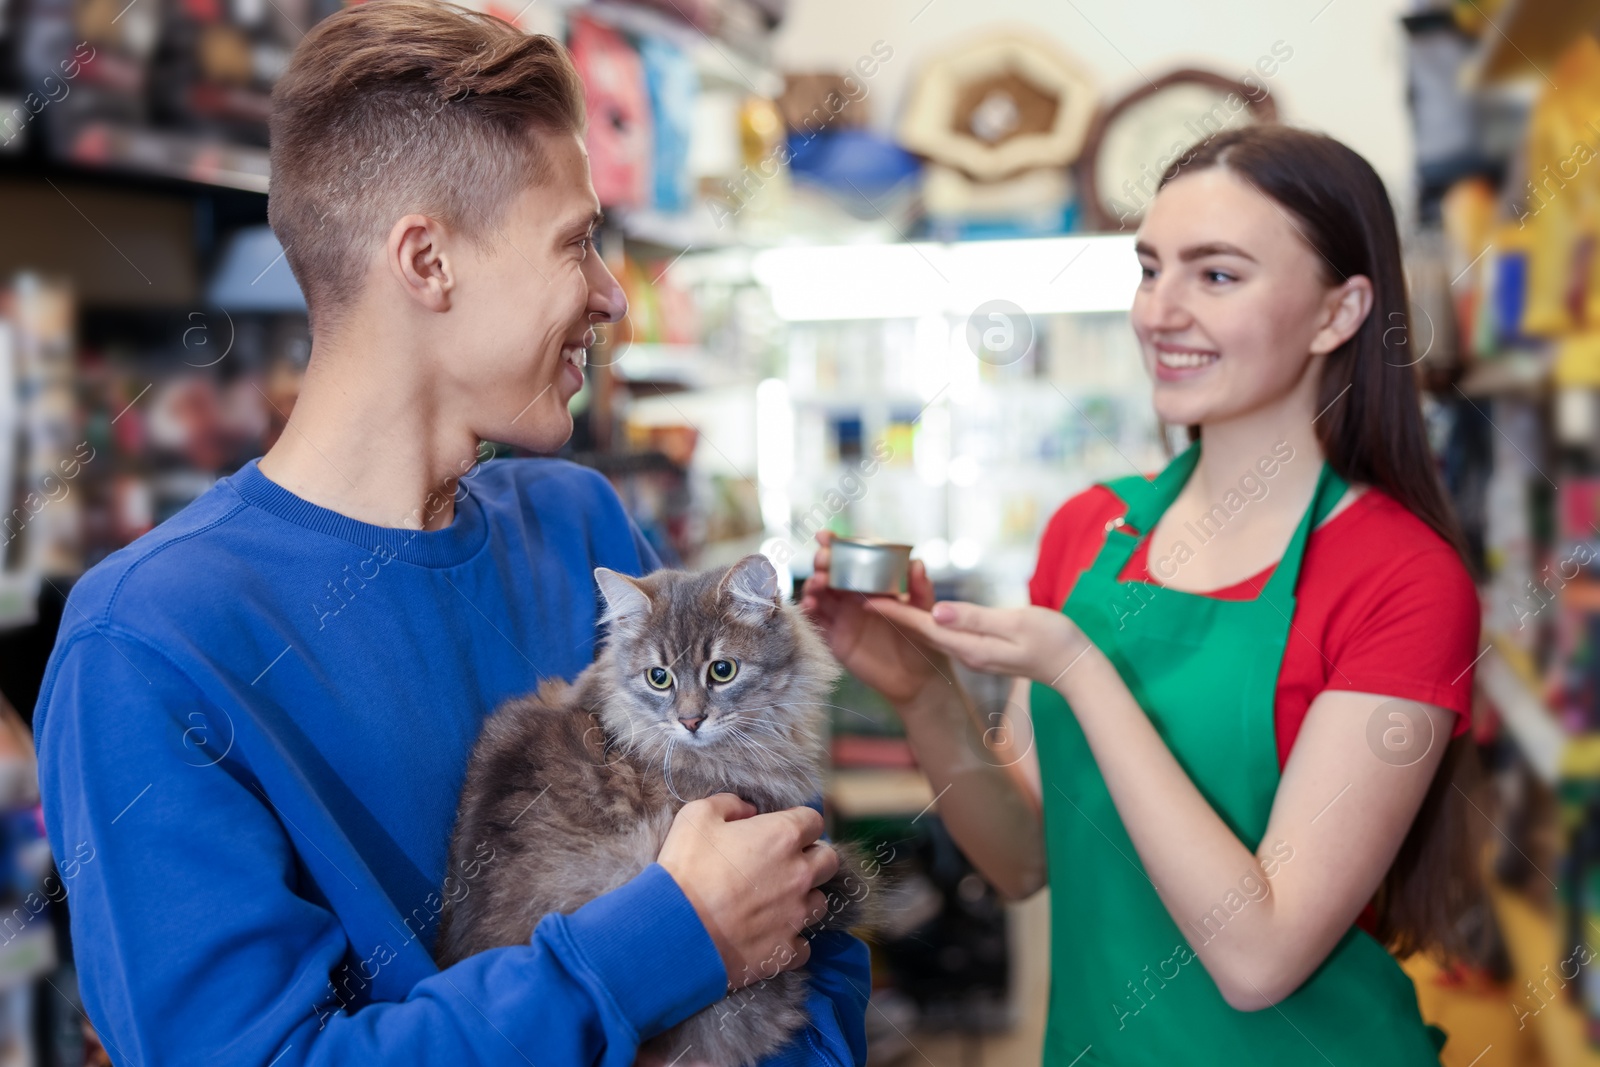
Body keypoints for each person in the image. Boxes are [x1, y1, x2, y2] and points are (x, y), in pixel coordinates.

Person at [32, 2, 868, 1064]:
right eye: (577, 243)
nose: (612, 295)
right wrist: (667, 941)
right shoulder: (147, 644)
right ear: (426, 262)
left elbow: (802, 896)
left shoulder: (581, 526)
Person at [802, 125, 1482, 1064]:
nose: (1160, 310)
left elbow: (1261, 955)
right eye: (1150, 268)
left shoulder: (1402, 580)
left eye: (1217, 275)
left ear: (1339, 311)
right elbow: (1020, 860)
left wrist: (1082, 669)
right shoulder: (1091, 532)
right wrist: (925, 694)